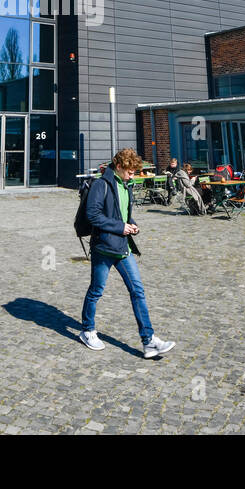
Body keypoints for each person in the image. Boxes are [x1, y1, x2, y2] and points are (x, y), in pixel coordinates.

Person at [79, 148, 177, 358]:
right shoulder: (101, 184)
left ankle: (148, 341)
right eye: (131, 172)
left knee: (138, 291)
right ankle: (87, 330)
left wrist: (132, 225)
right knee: (96, 290)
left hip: (123, 247)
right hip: (103, 247)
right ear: (120, 166)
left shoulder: (126, 185)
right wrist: (119, 226)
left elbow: (123, 215)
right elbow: (92, 215)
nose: (133, 176)